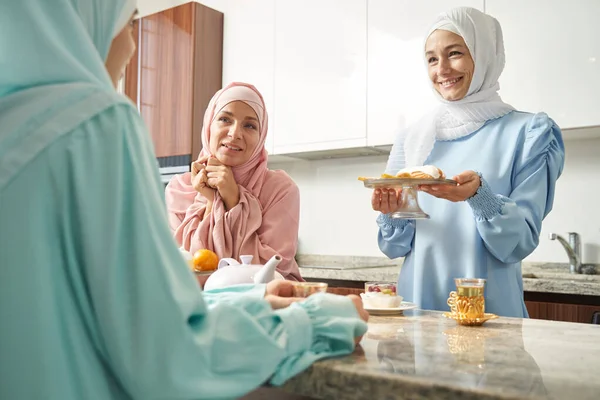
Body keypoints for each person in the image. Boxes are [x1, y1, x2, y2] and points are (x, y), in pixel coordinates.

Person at [0, 1, 368, 399]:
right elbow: (167, 348)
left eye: (249, 125)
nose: (131, 47)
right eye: (128, 25)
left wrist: (234, 211)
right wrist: (317, 321)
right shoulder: (96, 124)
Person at [372, 7, 565, 318]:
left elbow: (519, 242)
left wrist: (480, 197)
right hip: (416, 309)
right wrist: (392, 213)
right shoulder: (414, 137)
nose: (442, 69)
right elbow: (395, 247)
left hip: (488, 311)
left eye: (455, 53)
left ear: (484, 53)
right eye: (432, 59)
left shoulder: (531, 133)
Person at [166, 82, 303, 281]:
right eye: (224, 119)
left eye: (249, 125)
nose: (235, 133)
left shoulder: (280, 189)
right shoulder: (180, 189)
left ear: (261, 135)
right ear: (208, 126)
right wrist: (212, 202)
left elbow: (272, 272)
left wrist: (233, 198)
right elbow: (180, 269)